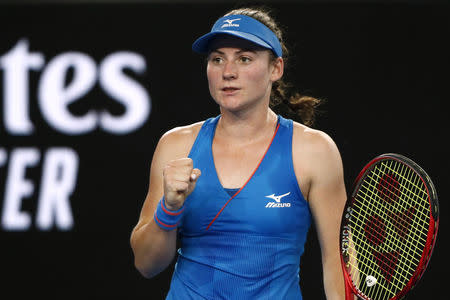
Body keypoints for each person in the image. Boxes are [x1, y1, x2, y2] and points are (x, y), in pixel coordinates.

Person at [130, 6, 347, 299]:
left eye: (244, 59)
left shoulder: (314, 151)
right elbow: (146, 264)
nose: (228, 72)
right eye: (217, 59)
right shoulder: (176, 146)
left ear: (275, 68)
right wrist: (169, 207)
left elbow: (338, 262)